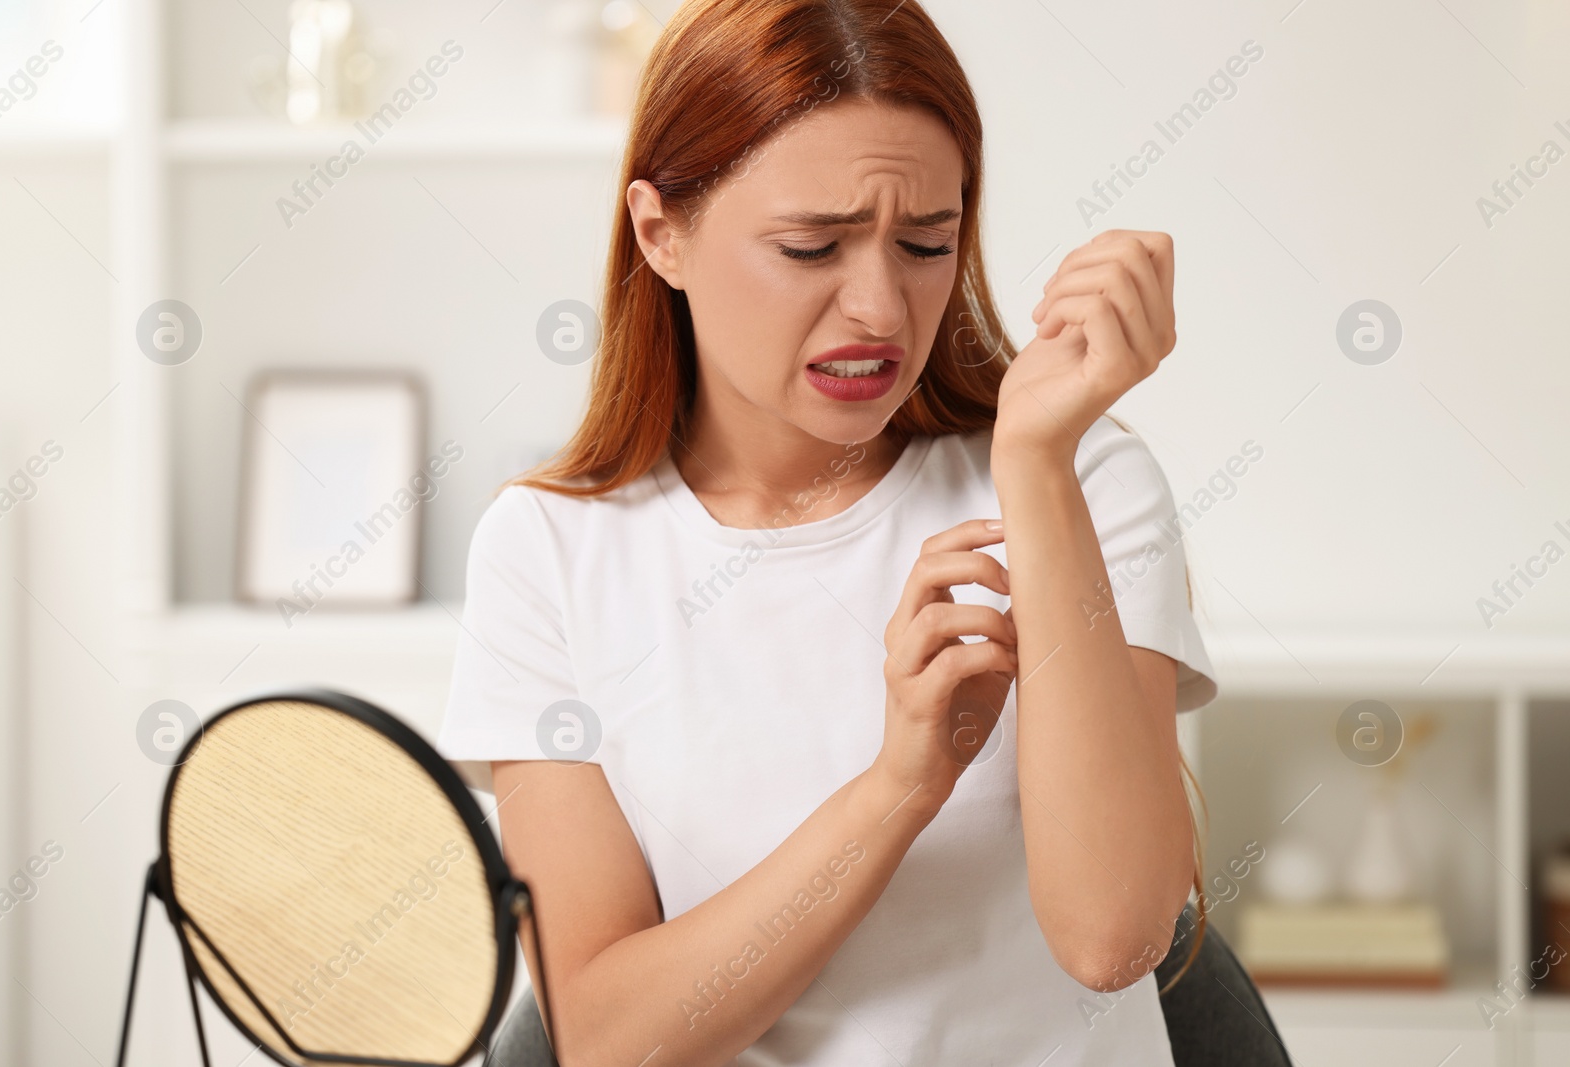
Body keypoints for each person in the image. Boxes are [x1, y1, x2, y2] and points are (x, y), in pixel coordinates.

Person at [437, 1, 1222, 1063]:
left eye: (925, 243)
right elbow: (602, 1034)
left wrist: (1033, 466)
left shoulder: (1083, 477)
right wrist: (900, 781)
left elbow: (1116, 934)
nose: (882, 309)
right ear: (659, 232)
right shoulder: (548, 550)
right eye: (812, 246)